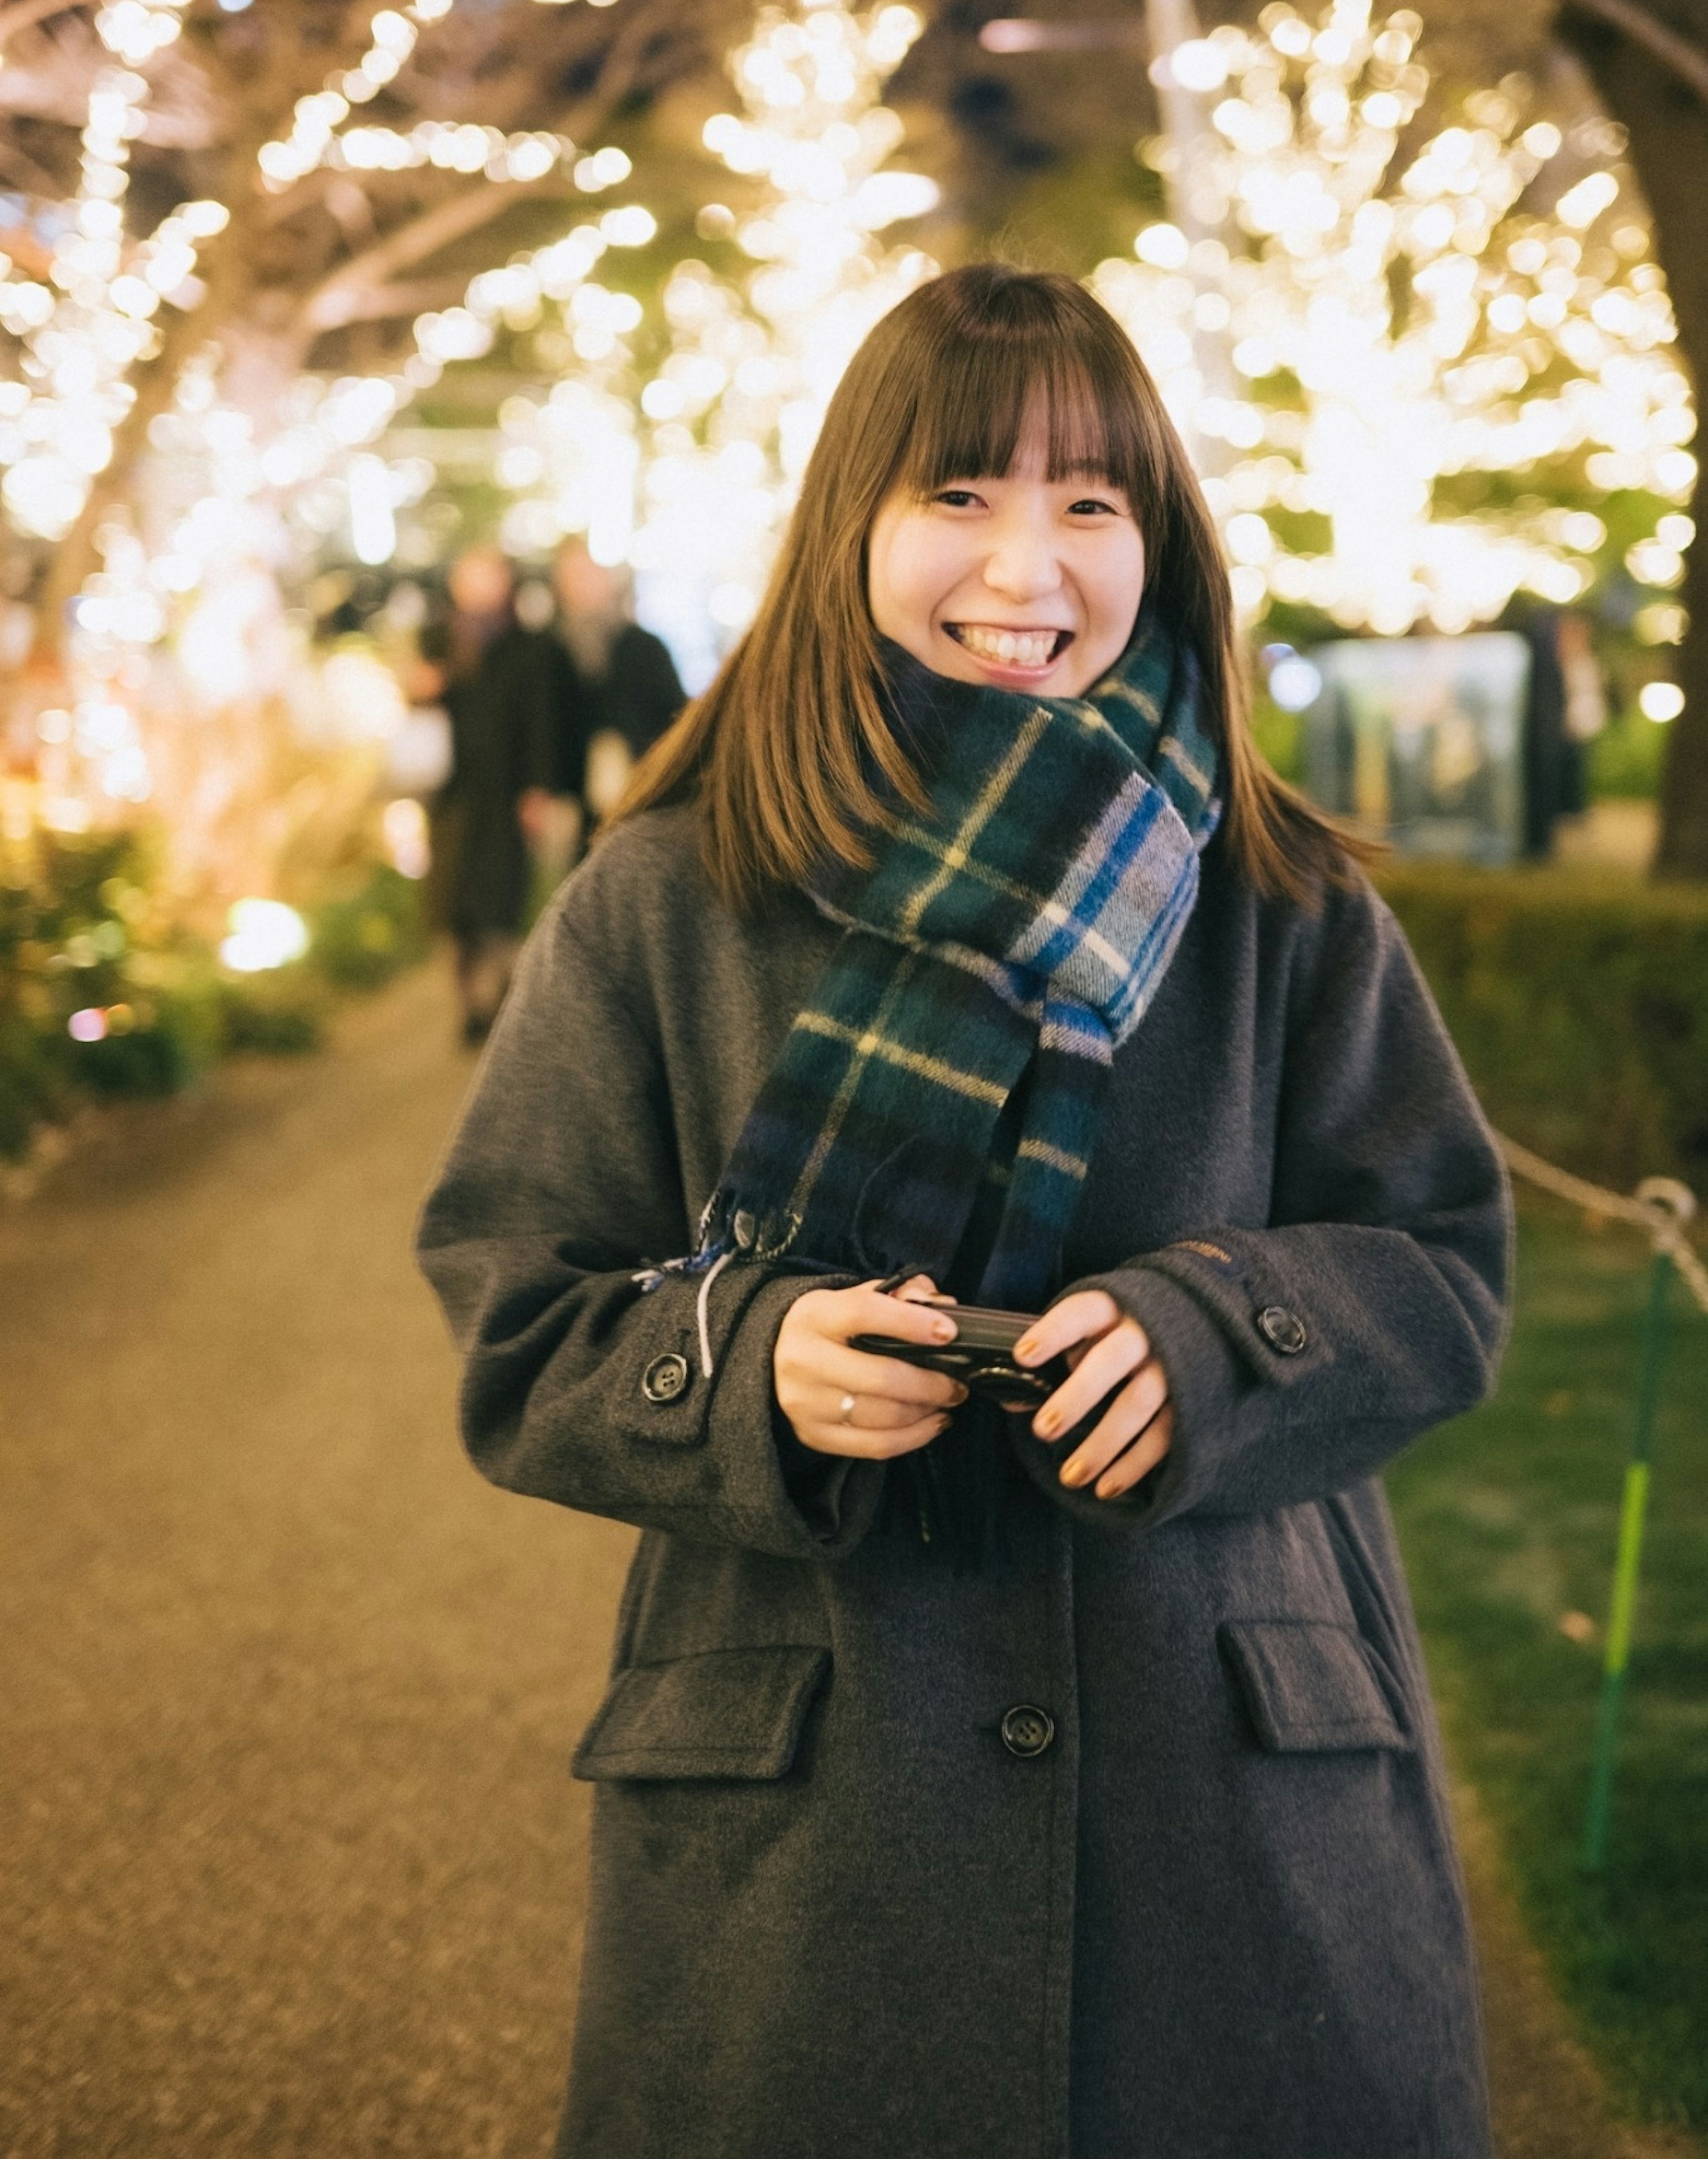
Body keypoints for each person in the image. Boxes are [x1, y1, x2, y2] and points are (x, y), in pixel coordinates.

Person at [417, 268, 1510, 2159]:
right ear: (850, 522)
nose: (1028, 563)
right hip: (819, 1799)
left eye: (1091, 503)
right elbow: (523, 1306)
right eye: (958, 495)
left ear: (1156, 542)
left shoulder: (1279, 896)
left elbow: (1443, 1266)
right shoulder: (667, 897)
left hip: (1232, 1792)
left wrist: (1216, 1339)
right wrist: (749, 1366)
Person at [415, 544, 577, 1042]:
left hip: (506, 793)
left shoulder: (529, 646)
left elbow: (542, 722)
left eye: (489, 576)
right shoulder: (441, 639)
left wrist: (538, 788)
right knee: (455, 903)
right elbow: (419, 705)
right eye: (471, 575)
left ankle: (509, 998)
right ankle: (469, 1007)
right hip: (453, 794)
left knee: (502, 900)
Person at [550, 535, 685, 821]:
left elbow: (675, 715)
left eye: (587, 575)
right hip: (577, 795)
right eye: (571, 577)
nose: (580, 586)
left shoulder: (644, 647)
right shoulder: (551, 650)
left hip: (641, 786)